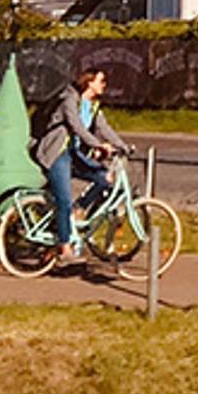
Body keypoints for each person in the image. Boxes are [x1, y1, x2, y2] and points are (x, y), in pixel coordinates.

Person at [31, 65, 132, 267]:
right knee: (64, 200)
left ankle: (80, 209)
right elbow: (76, 126)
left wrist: (122, 146)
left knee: (104, 178)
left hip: (74, 154)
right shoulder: (70, 100)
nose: (104, 85)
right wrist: (98, 145)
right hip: (57, 153)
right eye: (101, 81)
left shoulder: (93, 106)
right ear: (89, 82)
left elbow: (104, 129)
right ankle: (65, 249)